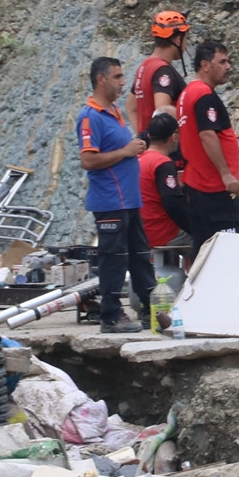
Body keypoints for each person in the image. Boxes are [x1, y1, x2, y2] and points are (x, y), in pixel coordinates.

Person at [78, 57, 154, 333]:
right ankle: (110, 315)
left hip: (129, 200)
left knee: (140, 255)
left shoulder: (113, 112)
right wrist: (125, 152)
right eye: (118, 77)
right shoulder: (91, 116)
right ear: (101, 79)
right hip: (110, 200)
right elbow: (88, 160)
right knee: (114, 258)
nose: (124, 82)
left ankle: (150, 309)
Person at [177, 40, 239, 244]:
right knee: (228, 248)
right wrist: (225, 174)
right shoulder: (203, 95)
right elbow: (207, 134)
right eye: (222, 62)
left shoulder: (187, 93)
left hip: (197, 185)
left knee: (203, 247)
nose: (228, 66)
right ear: (205, 65)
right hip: (213, 188)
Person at [130, 10, 189, 133]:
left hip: (151, 147)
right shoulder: (163, 71)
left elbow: (131, 107)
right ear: (178, 40)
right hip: (165, 148)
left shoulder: (144, 67)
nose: (185, 45)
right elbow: (162, 111)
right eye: (185, 39)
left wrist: (143, 138)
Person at [138, 114, 191, 249]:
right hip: (161, 233)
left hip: (139, 231)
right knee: (207, 237)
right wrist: (193, 228)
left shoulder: (138, 159)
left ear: (149, 136)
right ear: (173, 137)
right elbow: (172, 203)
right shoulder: (163, 163)